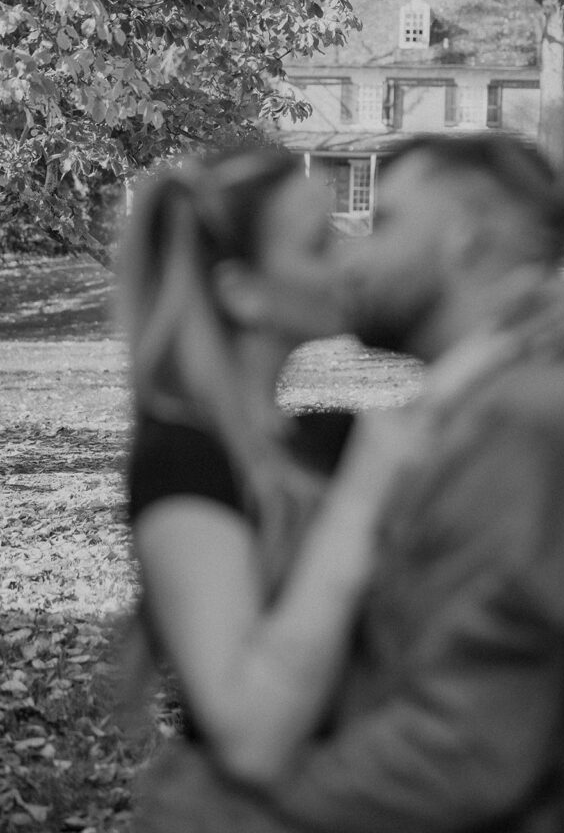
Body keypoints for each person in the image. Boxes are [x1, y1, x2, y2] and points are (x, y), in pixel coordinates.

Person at [182, 131, 564, 833]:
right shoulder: (480, 408)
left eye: (382, 222)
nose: (354, 255)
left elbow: (466, 747)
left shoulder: (521, 429)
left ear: (464, 238)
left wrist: (231, 815)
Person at [122, 139, 439, 831]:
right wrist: (361, 495)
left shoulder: (323, 439)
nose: (350, 258)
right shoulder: (182, 461)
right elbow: (250, 738)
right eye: (319, 246)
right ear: (243, 292)